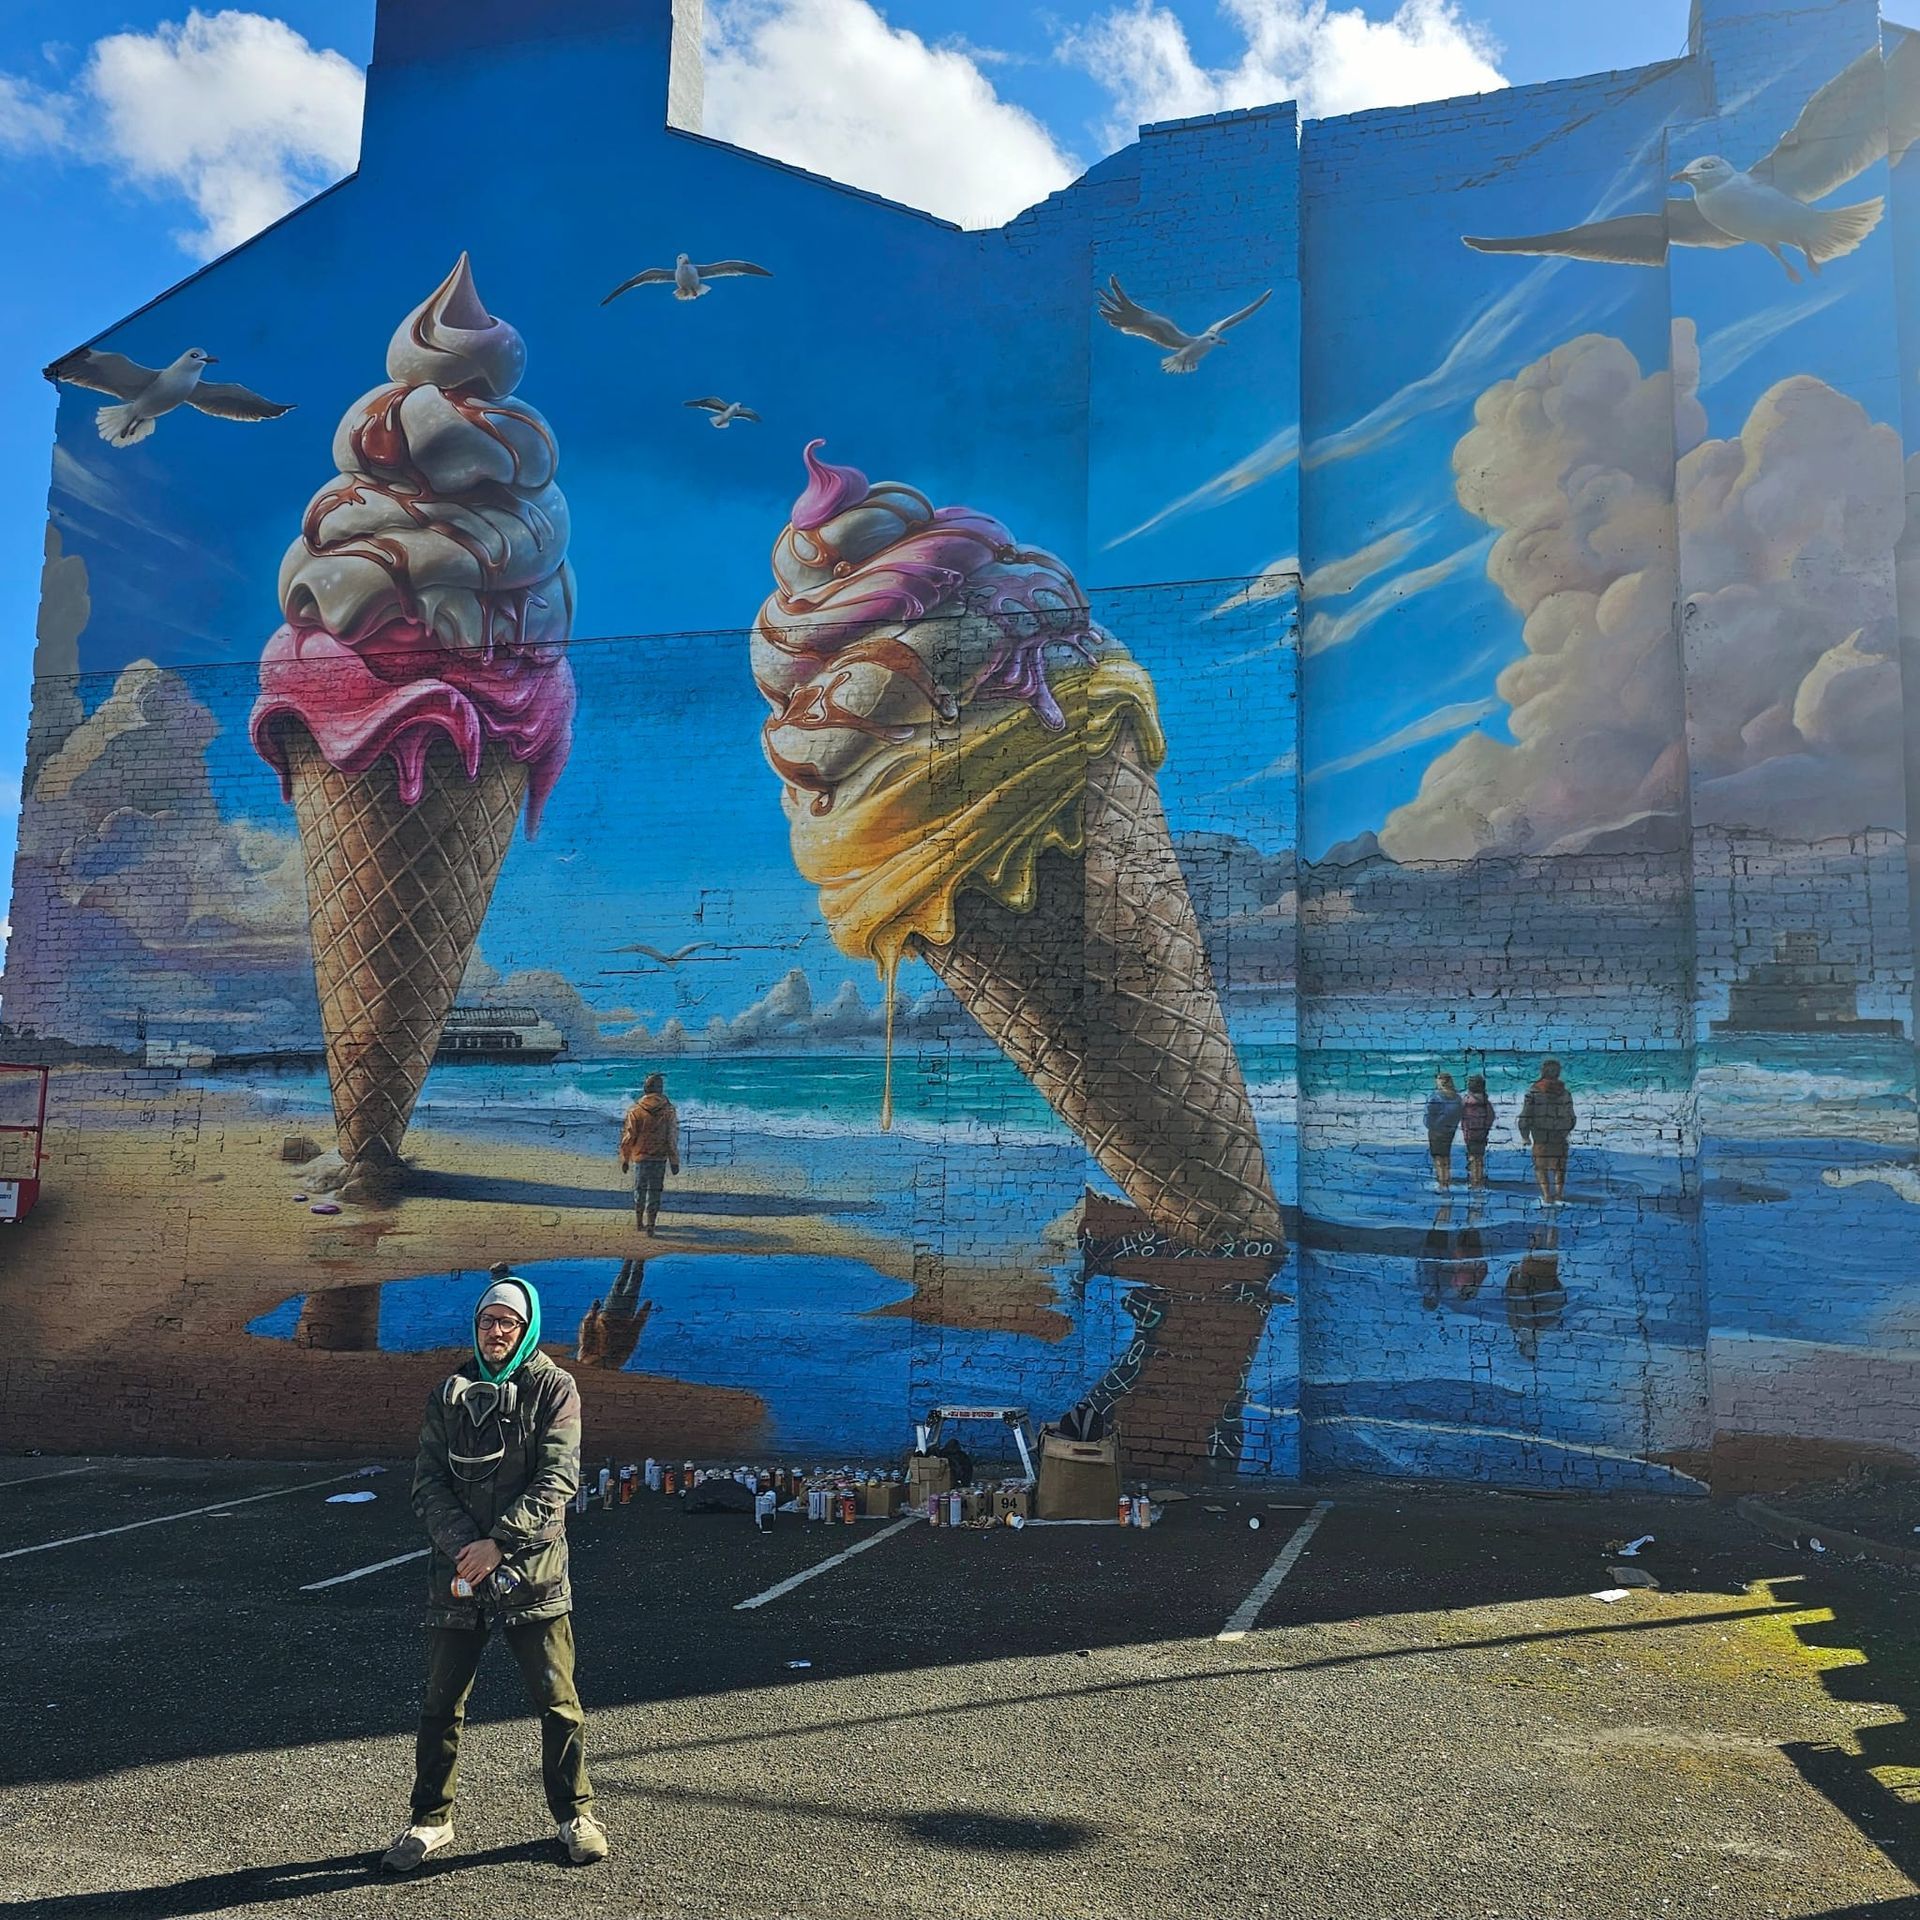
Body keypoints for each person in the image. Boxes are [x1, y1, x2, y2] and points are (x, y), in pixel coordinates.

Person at [381, 1266, 607, 1874]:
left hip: (533, 1574)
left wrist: (499, 1544)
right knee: (441, 1704)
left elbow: (558, 1478)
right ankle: (430, 1821)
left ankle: (576, 1815)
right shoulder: (450, 1394)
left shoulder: (554, 1389)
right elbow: (428, 1482)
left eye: (508, 1322)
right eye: (487, 1321)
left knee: (558, 1702)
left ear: (526, 1327)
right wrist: (466, 1548)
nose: (496, 1332)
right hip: (459, 1575)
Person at [619, 1072, 681, 1236]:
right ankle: (651, 1225)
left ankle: (639, 1222)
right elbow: (671, 1138)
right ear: (660, 1089)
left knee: (640, 1189)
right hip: (659, 1158)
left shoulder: (635, 1110)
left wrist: (625, 1158)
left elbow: (629, 1137)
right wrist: (674, 1161)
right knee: (655, 1191)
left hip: (640, 1157)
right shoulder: (669, 1111)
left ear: (645, 1089)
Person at [1517, 1056, 1577, 1205]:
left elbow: (1525, 1115)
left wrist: (1525, 1135)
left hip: (1540, 1136)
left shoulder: (1533, 1092)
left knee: (1541, 1167)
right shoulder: (1565, 1093)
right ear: (1558, 1073)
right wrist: (1565, 1130)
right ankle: (1559, 1195)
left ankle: (1546, 1196)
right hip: (1560, 1136)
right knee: (1559, 1167)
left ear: (1543, 1072)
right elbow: (1571, 1117)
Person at [1424, 1070, 1464, 1190]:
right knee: (1445, 1155)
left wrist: (1430, 1125)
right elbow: (1459, 1114)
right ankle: (1446, 1178)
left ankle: (1442, 1182)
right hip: (1450, 1130)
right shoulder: (1457, 1098)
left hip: (1436, 1130)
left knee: (1438, 1157)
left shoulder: (1435, 1097)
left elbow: (1428, 1116)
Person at [1461, 1074, 1495, 1189]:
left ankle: (1474, 1180)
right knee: (1479, 1157)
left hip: (1469, 1133)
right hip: (1482, 1133)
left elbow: (1459, 1115)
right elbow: (1491, 1117)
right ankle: (1478, 1179)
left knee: (1472, 1156)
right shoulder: (1485, 1102)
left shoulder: (1465, 1101)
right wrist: (1486, 1128)